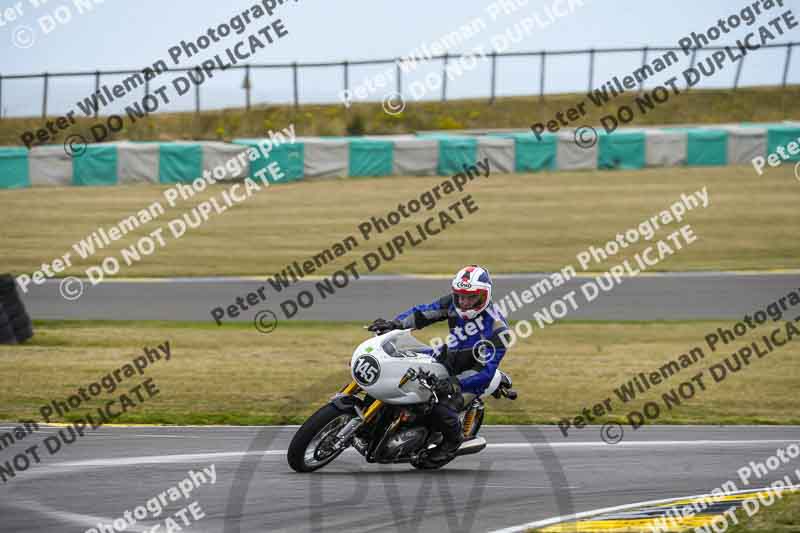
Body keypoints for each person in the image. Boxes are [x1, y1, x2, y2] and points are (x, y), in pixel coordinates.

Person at [367, 265, 510, 465]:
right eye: (460, 296)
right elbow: (424, 313)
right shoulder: (453, 303)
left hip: (470, 380)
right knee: (398, 364)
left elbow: (483, 372)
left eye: (471, 297)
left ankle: (453, 443)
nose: (464, 302)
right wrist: (395, 325)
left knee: (438, 407)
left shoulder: (496, 329)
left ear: (484, 296)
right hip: (448, 358)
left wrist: (453, 384)